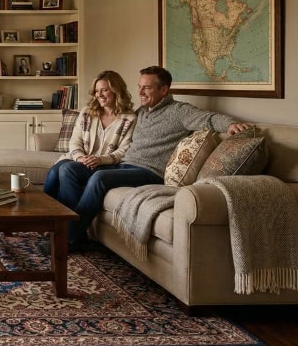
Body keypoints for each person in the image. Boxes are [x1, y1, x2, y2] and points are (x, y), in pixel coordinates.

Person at [42, 65, 249, 254]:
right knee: (68, 169)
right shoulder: (141, 113)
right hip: (124, 167)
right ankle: (66, 230)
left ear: (164, 90)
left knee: (99, 178)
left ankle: (67, 240)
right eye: (140, 87)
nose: (140, 92)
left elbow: (208, 118)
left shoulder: (179, 112)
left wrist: (230, 123)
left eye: (147, 88)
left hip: (150, 171)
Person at [42, 70, 137, 212]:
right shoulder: (87, 112)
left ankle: (69, 222)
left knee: (65, 169)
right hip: (80, 159)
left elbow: (124, 150)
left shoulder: (129, 118)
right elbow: (75, 141)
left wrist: (100, 159)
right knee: (55, 172)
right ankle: (46, 216)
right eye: (97, 91)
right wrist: (80, 157)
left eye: (104, 90)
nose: (99, 95)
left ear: (117, 91)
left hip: (106, 165)